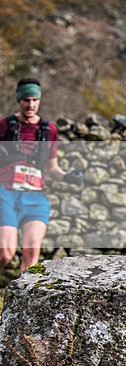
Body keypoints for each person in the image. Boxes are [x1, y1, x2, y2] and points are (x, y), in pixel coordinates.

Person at [0, 77, 83, 273]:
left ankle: (22, 293)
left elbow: (52, 169)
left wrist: (68, 177)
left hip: (35, 197)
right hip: (6, 194)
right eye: (26, 100)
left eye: (34, 100)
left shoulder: (49, 131)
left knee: (31, 253)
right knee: (5, 253)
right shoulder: (4, 126)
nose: (31, 105)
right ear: (19, 100)